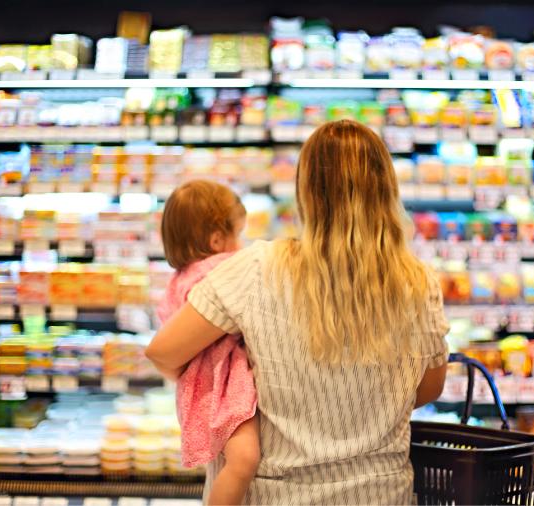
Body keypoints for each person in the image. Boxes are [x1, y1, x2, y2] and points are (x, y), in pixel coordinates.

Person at [146, 120, 449, 504]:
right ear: (387, 189)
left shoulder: (256, 268)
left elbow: (163, 352)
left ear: (306, 192)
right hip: (382, 493)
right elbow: (428, 388)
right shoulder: (418, 281)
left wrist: (227, 384)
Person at [154, 180, 259, 505]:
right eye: (237, 236)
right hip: (222, 386)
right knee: (244, 460)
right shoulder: (217, 272)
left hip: (206, 384)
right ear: (216, 241)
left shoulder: (181, 277)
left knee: (230, 462)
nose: (242, 246)